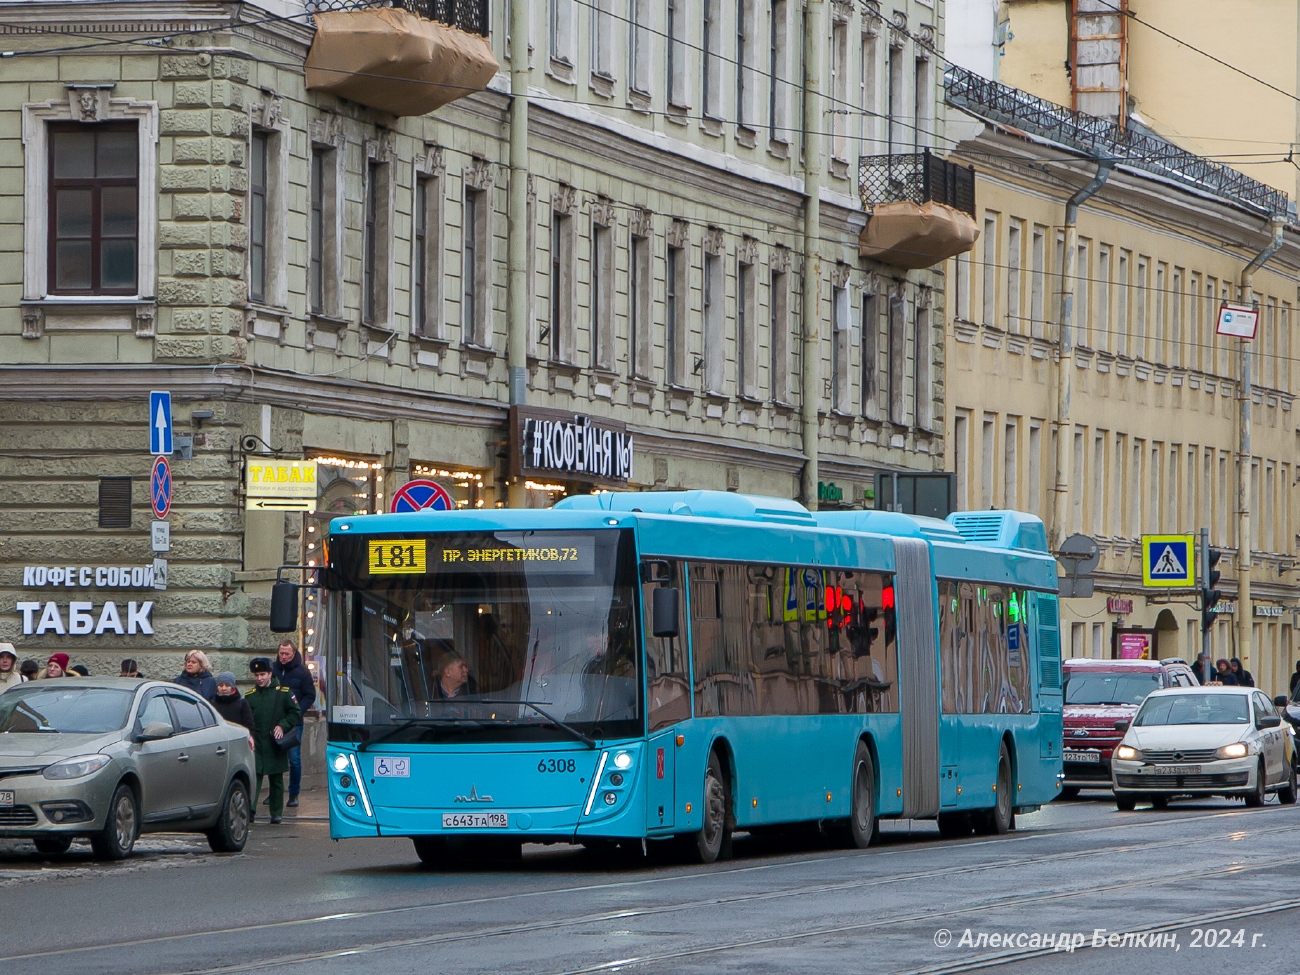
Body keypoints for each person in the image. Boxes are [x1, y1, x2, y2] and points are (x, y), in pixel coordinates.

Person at [245, 657, 301, 825]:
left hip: (274, 743)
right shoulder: (250, 696)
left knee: (276, 779)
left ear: (270, 673)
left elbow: (295, 712)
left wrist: (282, 726)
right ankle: (250, 811)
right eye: (256, 675)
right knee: (255, 777)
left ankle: (276, 813)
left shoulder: (283, 693)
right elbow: (246, 718)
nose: (259, 678)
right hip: (257, 743)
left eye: (262, 674)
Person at [271, 640, 316, 808]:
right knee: (273, 758)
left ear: (293, 653)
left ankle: (293, 793)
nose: (283, 657)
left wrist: (297, 710)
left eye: (287, 654)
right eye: (281, 653)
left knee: (294, 759)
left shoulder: (303, 672)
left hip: (293, 722)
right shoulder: (273, 669)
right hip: (274, 720)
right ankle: (274, 793)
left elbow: (310, 695)